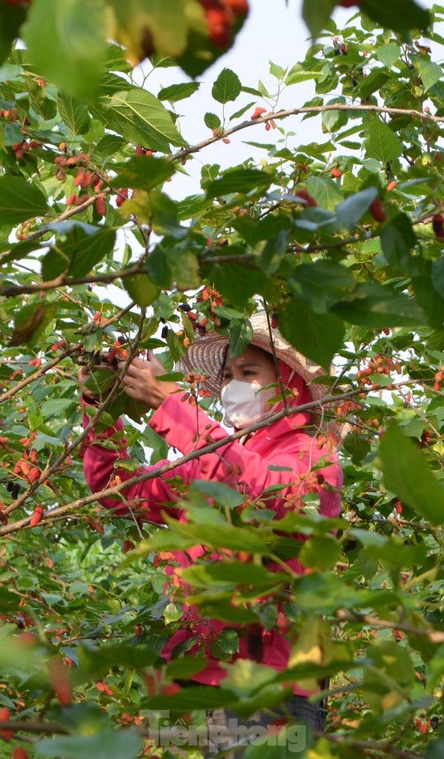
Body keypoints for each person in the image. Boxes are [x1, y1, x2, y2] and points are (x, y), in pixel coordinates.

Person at [78, 313, 343, 753]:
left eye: (249, 373)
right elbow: (115, 489)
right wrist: (103, 404)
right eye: (227, 376)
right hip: (203, 684)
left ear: (290, 385)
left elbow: (256, 491)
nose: (233, 385)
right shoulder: (203, 463)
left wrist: (171, 403)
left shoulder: (313, 460)